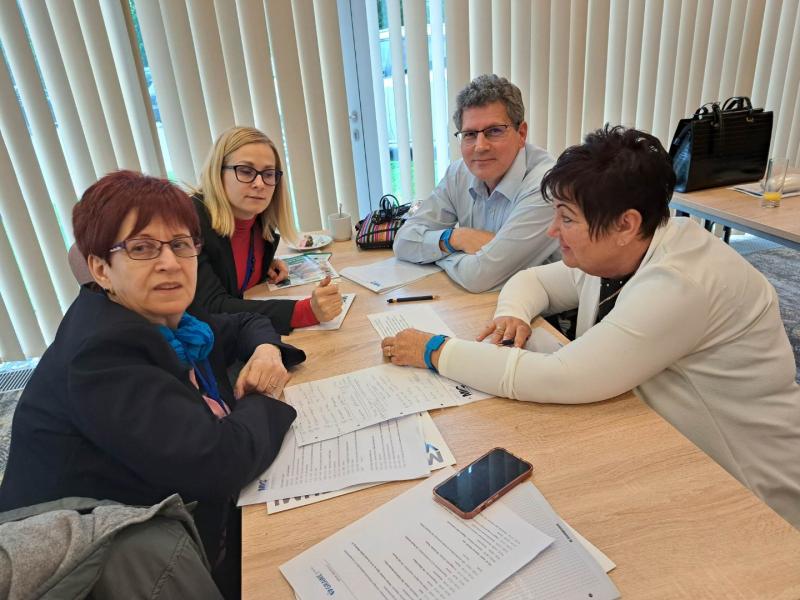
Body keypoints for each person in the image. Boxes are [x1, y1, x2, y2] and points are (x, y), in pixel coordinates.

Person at [381, 126, 800, 529]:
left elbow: (562, 376)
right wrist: (513, 314)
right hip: (673, 440)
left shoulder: (681, 282)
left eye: (567, 219)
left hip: (749, 488)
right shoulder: (627, 247)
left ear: (625, 224)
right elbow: (533, 280)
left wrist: (436, 350)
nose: (553, 231)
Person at [0, 171, 306, 597]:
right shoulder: (101, 352)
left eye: (181, 244)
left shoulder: (168, 318)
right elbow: (217, 463)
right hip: (99, 568)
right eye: (142, 248)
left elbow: (243, 322)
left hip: (166, 522)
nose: (169, 262)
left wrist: (267, 352)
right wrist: (264, 399)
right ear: (101, 269)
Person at [393, 74, 560, 292]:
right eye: (470, 134)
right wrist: (455, 238)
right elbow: (403, 242)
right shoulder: (458, 174)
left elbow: (479, 277)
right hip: (480, 302)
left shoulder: (547, 186)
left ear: (521, 134)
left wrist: (438, 254)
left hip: (540, 310)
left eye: (494, 131)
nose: (480, 147)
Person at [190, 126, 342, 334]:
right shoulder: (189, 223)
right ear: (218, 172)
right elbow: (212, 307)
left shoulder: (259, 219)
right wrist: (303, 311)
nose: (260, 183)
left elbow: (230, 272)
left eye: (268, 174)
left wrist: (260, 266)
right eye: (246, 171)